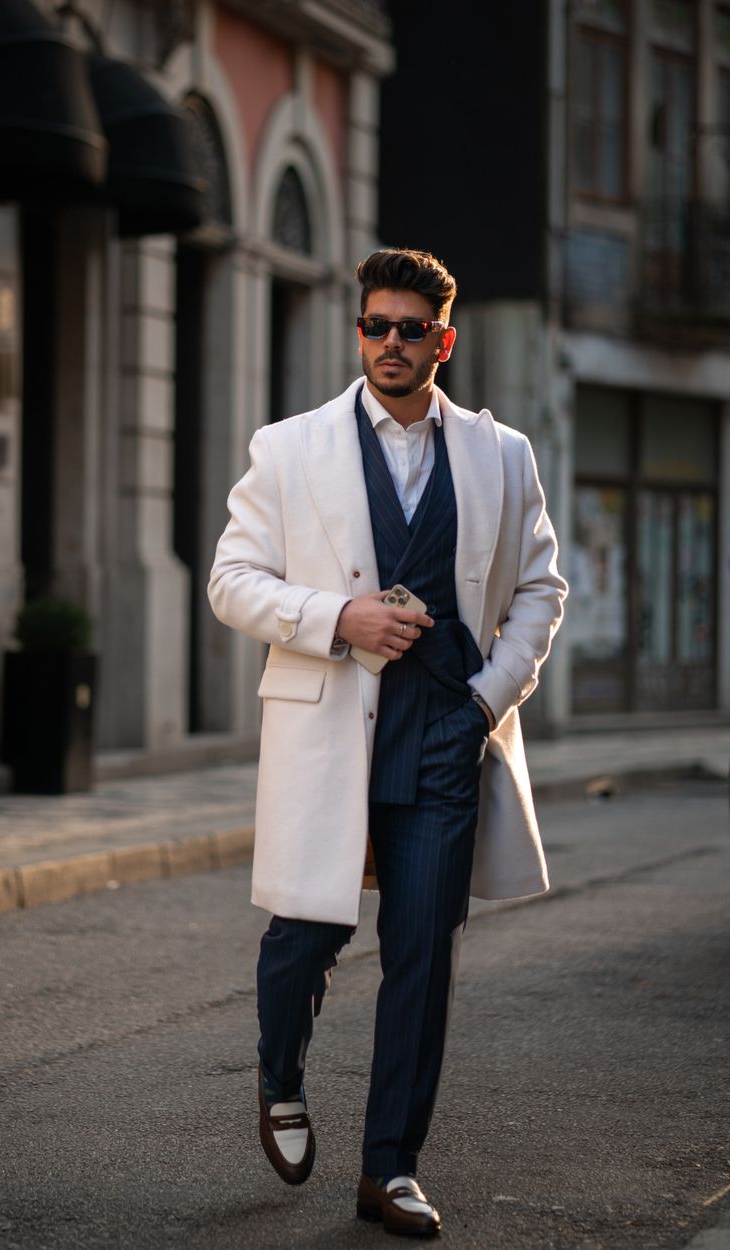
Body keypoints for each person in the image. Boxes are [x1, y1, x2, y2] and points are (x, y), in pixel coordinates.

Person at [208, 248, 567, 1238]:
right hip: (330, 726)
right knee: (305, 934)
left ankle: (389, 1168)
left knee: (421, 951)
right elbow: (229, 581)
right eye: (376, 325)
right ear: (357, 330)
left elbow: (541, 587)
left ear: (443, 341)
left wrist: (490, 695)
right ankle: (279, 1076)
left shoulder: (501, 454)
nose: (391, 343)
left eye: (412, 329)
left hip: (446, 732)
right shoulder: (289, 448)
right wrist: (338, 615)